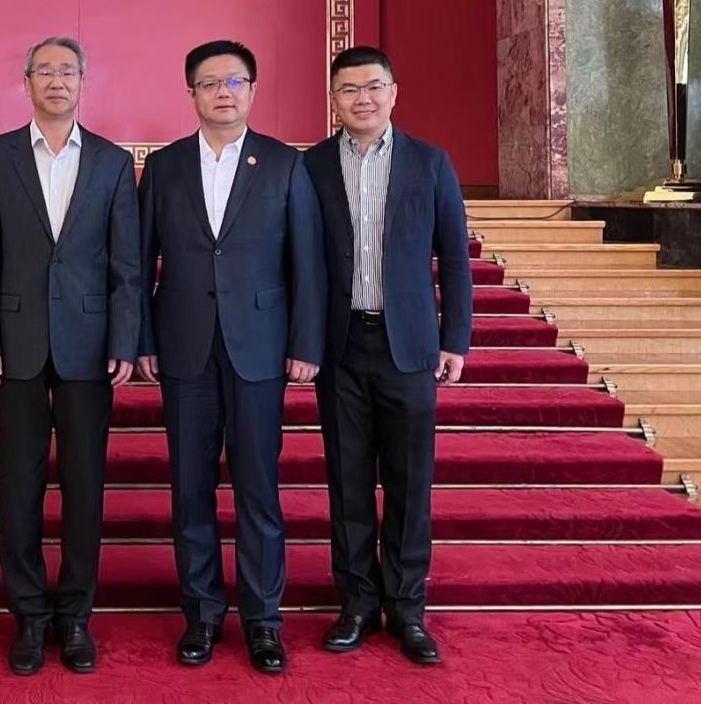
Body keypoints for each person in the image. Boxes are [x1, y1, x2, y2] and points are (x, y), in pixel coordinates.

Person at [136, 39, 326, 675]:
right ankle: (202, 615)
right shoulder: (164, 167)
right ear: (190, 93)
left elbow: (307, 262)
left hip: (260, 349)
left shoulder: (284, 164)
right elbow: (138, 261)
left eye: (235, 81)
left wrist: (305, 343)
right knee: (190, 488)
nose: (223, 92)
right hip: (184, 347)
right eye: (210, 83)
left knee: (258, 489)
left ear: (253, 90)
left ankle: (263, 621)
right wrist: (143, 340)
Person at [0, 36, 140, 676]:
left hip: (90, 346)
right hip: (15, 344)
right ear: (27, 81)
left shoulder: (113, 162)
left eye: (68, 71)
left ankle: (74, 616)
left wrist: (125, 339)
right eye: (46, 71)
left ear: (83, 82)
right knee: (18, 485)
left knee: (84, 485)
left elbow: (127, 263)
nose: (57, 81)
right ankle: (29, 617)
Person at [303, 45, 473, 666]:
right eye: (349, 89)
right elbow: (299, 261)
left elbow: (454, 256)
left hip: (410, 345)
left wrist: (455, 338)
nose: (363, 99)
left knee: (409, 482)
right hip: (340, 345)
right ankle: (356, 603)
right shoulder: (311, 167)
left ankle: (407, 609)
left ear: (393, 93)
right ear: (334, 99)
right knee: (347, 481)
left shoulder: (430, 163)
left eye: (373, 87)